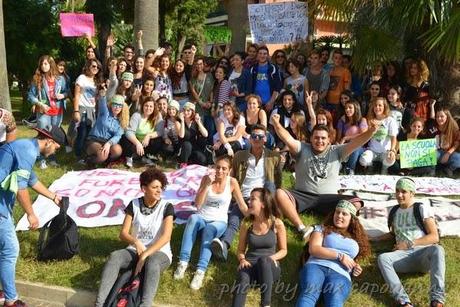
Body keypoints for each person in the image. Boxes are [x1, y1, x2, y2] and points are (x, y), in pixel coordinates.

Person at [272, 114, 380, 240]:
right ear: (311, 139)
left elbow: (357, 142)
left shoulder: (337, 151)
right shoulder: (302, 148)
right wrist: (276, 123)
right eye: (316, 138)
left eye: (323, 138)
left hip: (329, 198)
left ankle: (327, 227)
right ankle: (301, 228)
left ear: (329, 139)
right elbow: (287, 139)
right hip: (302, 195)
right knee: (279, 193)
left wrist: (371, 131)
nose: (320, 141)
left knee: (355, 203)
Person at [0, 126, 65, 307]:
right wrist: (31, 214)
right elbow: (21, 189)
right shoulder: (27, 150)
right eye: (56, 147)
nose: (55, 151)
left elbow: (31, 180)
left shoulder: (26, 147)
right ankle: (11, 301)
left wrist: (53, 197)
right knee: (10, 250)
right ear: (49, 141)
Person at [95, 168, 173, 307]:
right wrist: (136, 242)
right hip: (135, 250)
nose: (159, 190)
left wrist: (145, 255)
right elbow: (123, 233)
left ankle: (145, 304)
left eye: (160, 187)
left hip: (159, 253)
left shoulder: (167, 207)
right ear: (144, 188)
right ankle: (100, 304)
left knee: (152, 262)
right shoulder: (134, 204)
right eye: (154, 187)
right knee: (115, 257)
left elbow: (166, 237)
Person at [173, 155, 248, 290]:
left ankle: (200, 271)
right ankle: (183, 262)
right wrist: (206, 185)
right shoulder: (206, 179)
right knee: (192, 218)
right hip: (202, 217)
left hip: (219, 221)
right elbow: (198, 204)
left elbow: (242, 205)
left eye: (224, 168)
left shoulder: (232, 182)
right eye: (217, 167)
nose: (220, 171)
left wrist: (255, 218)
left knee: (210, 230)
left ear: (229, 170)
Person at [211, 124, 282, 261]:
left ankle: (270, 226)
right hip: (243, 195)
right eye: (254, 136)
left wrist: (272, 197)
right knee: (234, 220)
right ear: (249, 139)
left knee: (271, 184)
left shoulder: (274, 157)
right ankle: (224, 246)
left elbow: (278, 180)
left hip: (262, 197)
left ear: (265, 139)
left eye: (260, 137)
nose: (257, 139)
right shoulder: (240, 155)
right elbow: (231, 176)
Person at [374, 177, 445, 307]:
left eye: (403, 191)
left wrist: (408, 244)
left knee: (438, 249)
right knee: (383, 258)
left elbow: (434, 237)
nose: (399, 195)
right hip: (402, 257)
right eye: (397, 191)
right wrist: (375, 238)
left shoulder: (421, 208)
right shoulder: (394, 211)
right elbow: (393, 234)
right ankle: (404, 302)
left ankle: (437, 300)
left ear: (412, 193)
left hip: (422, 254)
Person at [296, 200, 371, 307]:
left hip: (341, 274)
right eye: (337, 212)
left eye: (344, 214)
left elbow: (350, 260)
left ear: (352, 219)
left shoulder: (356, 240)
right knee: (309, 294)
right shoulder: (322, 229)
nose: (339, 216)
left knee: (335, 302)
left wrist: (355, 269)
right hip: (316, 266)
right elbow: (314, 249)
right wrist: (339, 256)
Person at [231, 188, 287, 307]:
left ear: (263, 204)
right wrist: (242, 260)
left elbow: (284, 250)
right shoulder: (247, 223)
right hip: (250, 265)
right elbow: (241, 250)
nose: (249, 202)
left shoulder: (277, 223)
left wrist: (271, 258)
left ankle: (265, 304)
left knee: (264, 261)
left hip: (270, 268)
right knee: (243, 278)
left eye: (253, 199)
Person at [27, 55, 68, 169]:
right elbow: (30, 96)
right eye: (41, 64)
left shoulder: (60, 79)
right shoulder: (38, 79)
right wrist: (40, 104)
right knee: (43, 135)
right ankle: (41, 160)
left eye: (45, 63)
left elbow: (67, 91)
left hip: (57, 112)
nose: (43, 66)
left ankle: (52, 159)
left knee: (53, 137)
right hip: (44, 112)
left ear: (51, 64)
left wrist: (63, 95)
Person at [85, 92, 129, 166]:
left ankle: (105, 162)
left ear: (122, 108)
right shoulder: (105, 112)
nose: (117, 107)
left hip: (108, 142)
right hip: (95, 140)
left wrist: (109, 143)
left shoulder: (122, 120)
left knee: (118, 150)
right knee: (102, 155)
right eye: (115, 104)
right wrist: (103, 95)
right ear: (111, 105)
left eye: (119, 106)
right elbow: (102, 103)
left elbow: (118, 136)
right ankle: (89, 160)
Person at [119, 96, 164, 168]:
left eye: (151, 106)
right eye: (146, 105)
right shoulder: (137, 115)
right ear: (143, 106)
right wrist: (137, 143)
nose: (148, 108)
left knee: (158, 140)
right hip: (135, 142)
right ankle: (129, 157)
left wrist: (148, 135)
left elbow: (160, 131)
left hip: (146, 143)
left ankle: (146, 157)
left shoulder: (157, 116)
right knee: (125, 137)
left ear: (154, 108)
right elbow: (129, 132)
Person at [72, 59, 103, 163]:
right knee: (82, 133)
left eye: (98, 67)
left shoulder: (96, 81)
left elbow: (96, 98)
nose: (95, 69)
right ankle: (78, 155)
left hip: (92, 110)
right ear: (88, 66)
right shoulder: (81, 78)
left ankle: (86, 154)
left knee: (89, 134)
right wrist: (76, 111)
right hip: (82, 108)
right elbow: (76, 95)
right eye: (93, 66)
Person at [359, 97, 398, 174]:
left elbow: (394, 137)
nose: (377, 107)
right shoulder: (369, 120)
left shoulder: (390, 120)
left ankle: (384, 168)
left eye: (380, 105)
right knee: (363, 160)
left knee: (391, 159)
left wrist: (392, 150)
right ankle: (370, 167)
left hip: (385, 152)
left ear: (384, 107)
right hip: (372, 150)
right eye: (375, 105)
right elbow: (364, 136)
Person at [336, 100, 368, 175]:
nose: (347, 110)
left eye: (350, 108)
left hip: (359, 148)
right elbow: (339, 137)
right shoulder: (342, 121)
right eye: (346, 108)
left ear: (356, 109)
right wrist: (339, 143)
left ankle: (349, 170)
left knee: (355, 148)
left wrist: (347, 138)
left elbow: (363, 135)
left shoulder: (362, 120)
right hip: (346, 146)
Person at [248, 46, 282, 112]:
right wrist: (255, 96)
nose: (262, 56)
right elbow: (249, 86)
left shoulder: (273, 68)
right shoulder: (252, 69)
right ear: (257, 55)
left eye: (265, 53)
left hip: (270, 104)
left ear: (268, 55)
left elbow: (277, 87)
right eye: (260, 53)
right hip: (256, 104)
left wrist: (271, 102)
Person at [177, 102, 208, 167]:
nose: (186, 112)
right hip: (183, 147)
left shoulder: (195, 121)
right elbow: (181, 135)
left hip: (193, 146)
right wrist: (182, 121)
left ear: (192, 112)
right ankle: (183, 163)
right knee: (187, 144)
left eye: (188, 110)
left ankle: (191, 161)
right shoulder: (179, 121)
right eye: (184, 110)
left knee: (203, 160)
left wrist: (199, 122)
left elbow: (205, 134)